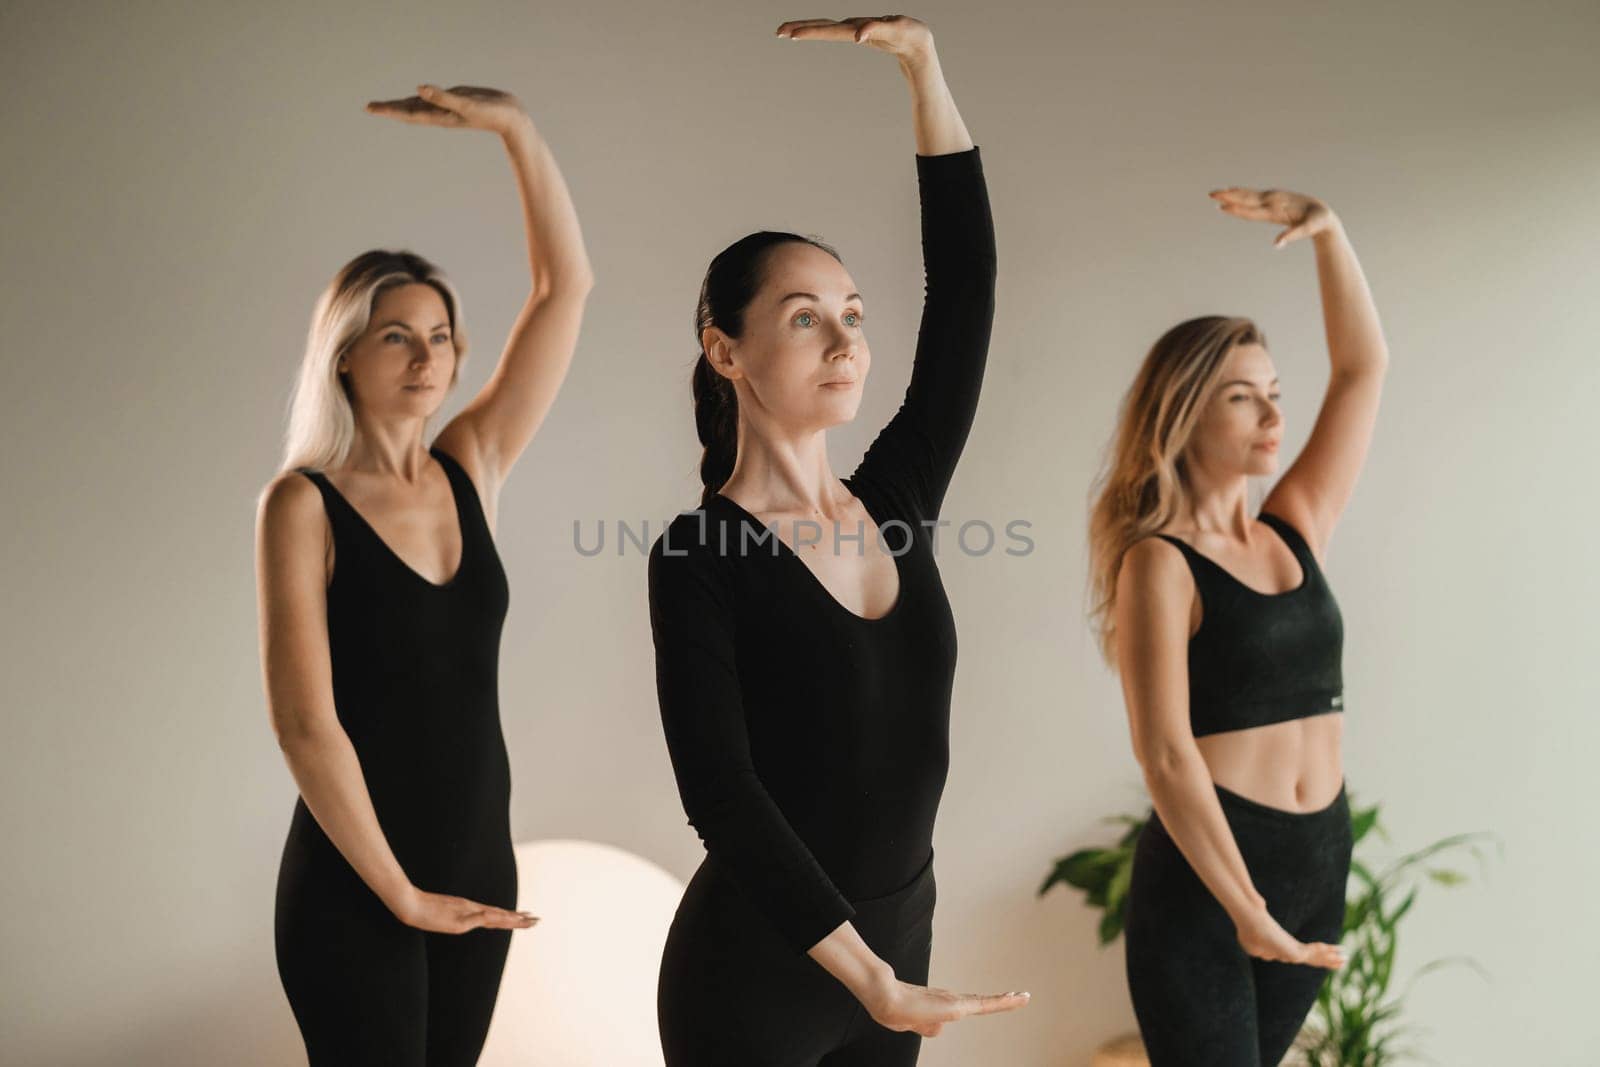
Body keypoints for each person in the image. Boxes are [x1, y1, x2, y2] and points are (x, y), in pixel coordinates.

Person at [646, 16, 1028, 1067]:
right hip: (761, 973)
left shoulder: (898, 496)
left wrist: (924, 70)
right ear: (726, 349)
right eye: (806, 316)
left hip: (900, 950)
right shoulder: (699, 556)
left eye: (855, 314)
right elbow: (720, 793)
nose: (847, 338)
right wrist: (868, 978)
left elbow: (967, 290)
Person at [254, 83, 592, 1065]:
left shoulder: (472, 465)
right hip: (355, 881)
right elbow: (303, 722)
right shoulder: (302, 503)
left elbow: (563, 289)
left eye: (439, 335)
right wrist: (396, 891)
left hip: (480, 861)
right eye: (397, 334)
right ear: (346, 353)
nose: (424, 356)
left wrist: (517, 131)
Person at [1088, 187, 1390, 1065]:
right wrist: (1246, 910)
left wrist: (1330, 232)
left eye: (1273, 393)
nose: (1272, 415)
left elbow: (1362, 370)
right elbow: (1167, 754)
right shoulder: (1159, 561)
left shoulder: (1295, 522)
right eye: (1242, 397)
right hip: (1212, 878)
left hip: (1317, 857)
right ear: (1184, 415)